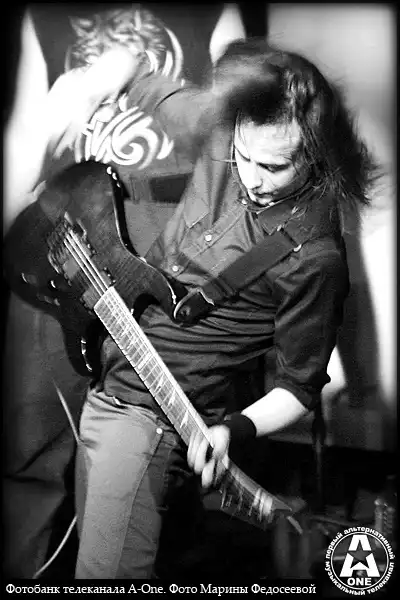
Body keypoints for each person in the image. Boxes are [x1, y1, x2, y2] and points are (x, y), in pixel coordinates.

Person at [4, 35, 378, 579]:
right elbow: (135, 73)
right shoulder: (223, 128)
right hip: (106, 381)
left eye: (274, 167)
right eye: (243, 156)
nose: (251, 177)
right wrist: (92, 84)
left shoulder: (315, 259)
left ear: (318, 154)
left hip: (149, 418)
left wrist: (234, 431)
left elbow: (299, 389)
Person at [2, 3, 245, 579]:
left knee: (153, 456)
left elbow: (241, 131)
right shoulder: (43, 14)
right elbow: (25, 130)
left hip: (162, 258)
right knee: (32, 441)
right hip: (63, 250)